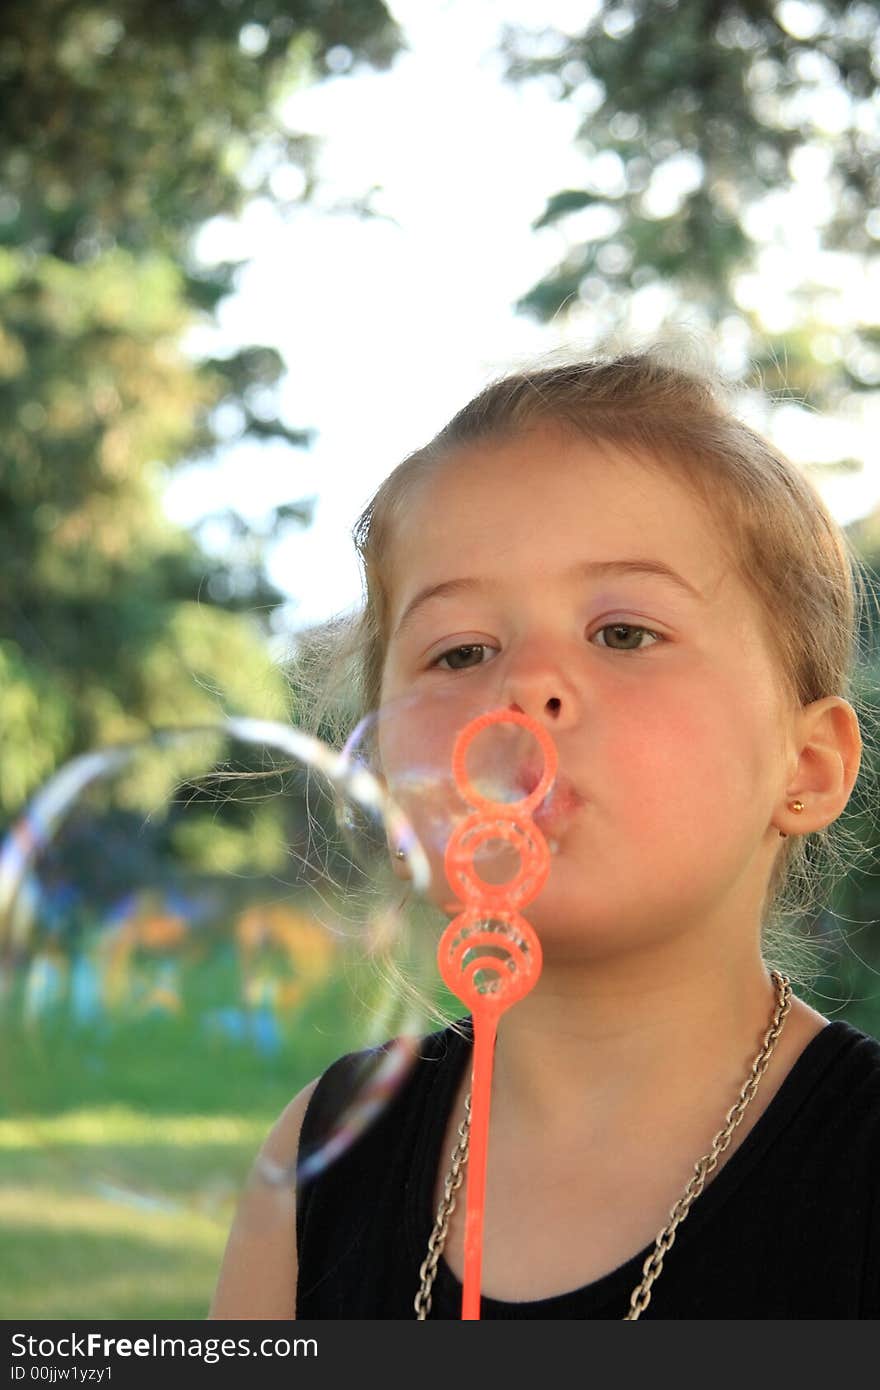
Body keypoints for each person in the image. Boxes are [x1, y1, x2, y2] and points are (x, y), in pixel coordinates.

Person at [209, 348, 879, 1320]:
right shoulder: (317, 1159)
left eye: (622, 632)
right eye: (461, 649)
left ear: (805, 767)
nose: (521, 686)